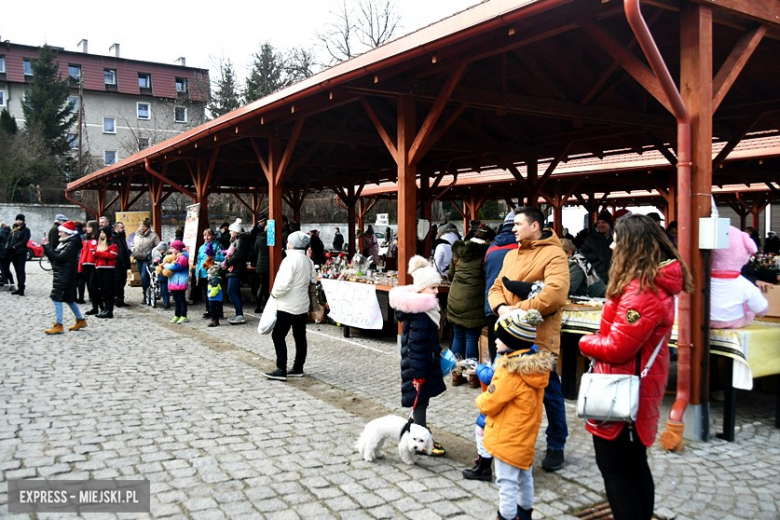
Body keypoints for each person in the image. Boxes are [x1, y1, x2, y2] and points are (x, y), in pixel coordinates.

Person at [579, 214, 692, 520]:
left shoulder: (642, 292)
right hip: (632, 386)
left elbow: (618, 347)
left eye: (617, 239)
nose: (612, 245)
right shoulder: (645, 286)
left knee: (615, 469)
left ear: (632, 246)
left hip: (624, 390)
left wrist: (585, 342)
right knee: (633, 464)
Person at [487, 206, 569, 472]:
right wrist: (501, 309)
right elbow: (496, 287)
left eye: (518, 224)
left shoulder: (555, 255)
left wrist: (516, 312)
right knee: (508, 390)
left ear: (535, 226)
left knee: (550, 394)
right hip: (508, 336)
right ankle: (509, 441)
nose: (513, 228)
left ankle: (556, 444)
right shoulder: (511, 254)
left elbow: (554, 295)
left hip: (539, 338)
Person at [476, 309, 554, 520]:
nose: (495, 341)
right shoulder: (534, 368)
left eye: (499, 337)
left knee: (507, 483)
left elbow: (491, 402)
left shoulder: (510, 371)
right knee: (524, 476)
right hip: (524, 436)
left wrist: (480, 400)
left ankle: (507, 516)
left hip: (507, 438)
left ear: (512, 340)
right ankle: (525, 512)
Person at [389, 255, 448, 457]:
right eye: (432, 288)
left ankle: (417, 432)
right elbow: (415, 346)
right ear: (421, 288)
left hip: (423, 363)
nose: (436, 291)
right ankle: (420, 441)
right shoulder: (421, 314)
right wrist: (419, 374)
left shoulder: (425, 310)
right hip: (418, 367)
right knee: (420, 401)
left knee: (421, 401)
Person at [262, 231, 318, 381]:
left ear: (292, 244)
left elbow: (282, 284)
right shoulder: (308, 261)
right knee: (300, 336)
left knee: (278, 335)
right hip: (302, 304)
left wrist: (274, 294)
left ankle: (281, 368)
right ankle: (298, 367)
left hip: (287, 305)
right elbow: (313, 280)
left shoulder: (289, 261)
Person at [447, 230, 489, 387]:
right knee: (471, 337)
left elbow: (450, 274)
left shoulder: (459, 253)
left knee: (458, 336)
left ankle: (456, 374)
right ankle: (472, 376)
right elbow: (487, 278)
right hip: (473, 300)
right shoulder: (483, 256)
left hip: (455, 298)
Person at [483, 211, 520, 361]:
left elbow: (485, 270)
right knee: (514, 343)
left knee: (495, 340)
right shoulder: (520, 247)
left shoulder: (491, 247)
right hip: (514, 303)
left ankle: (494, 373)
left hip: (492, 301)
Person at [42, 221, 87, 334]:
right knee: (69, 299)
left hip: (65, 275)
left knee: (57, 298)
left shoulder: (70, 244)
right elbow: (55, 257)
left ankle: (59, 324)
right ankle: (80, 320)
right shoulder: (65, 243)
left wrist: (47, 246)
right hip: (63, 274)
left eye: (61, 232)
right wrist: (47, 248)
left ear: (67, 233)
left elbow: (59, 257)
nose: (59, 234)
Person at [224, 218, 252, 324]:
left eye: (231, 231)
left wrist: (228, 262)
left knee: (231, 291)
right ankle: (238, 313)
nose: (230, 233)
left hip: (236, 269)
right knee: (234, 291)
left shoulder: (240, 241)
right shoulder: (238, 240)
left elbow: (238, 255)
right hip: (236, 268)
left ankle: (239, 314)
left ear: (236, 232)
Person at [130, 218, 160, 303]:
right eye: (141, 226)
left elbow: (159, 246)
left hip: (147, 259)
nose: (141, 227)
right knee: (142, 277)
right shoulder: (136, 235)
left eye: (143, 226)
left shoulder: (153, 235)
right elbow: (132, 244)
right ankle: (146, 293)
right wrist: (132, 250)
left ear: (147, 227)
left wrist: (151, 253)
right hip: (138, 258)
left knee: (144, 276)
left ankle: (147, 294)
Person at [580, 210, 613, 285]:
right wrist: (597, 257)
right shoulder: (590, 239)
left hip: (614, 275)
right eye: (599, 222)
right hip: (597, 275)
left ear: (609, 224)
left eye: (603, 222)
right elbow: (583, 255)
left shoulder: (616, 237)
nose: (600, 225)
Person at [197, 229, 224, 318]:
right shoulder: (201, 247)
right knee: (206, 292)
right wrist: (197, 272)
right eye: (205, 235)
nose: (206, 237)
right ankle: (209, 310)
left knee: (216, 291)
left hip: (213, 272)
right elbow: (199, 260)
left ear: (213, 236)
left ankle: (218, 311)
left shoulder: (217, 246)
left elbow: (222, 258)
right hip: (203, 273)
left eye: (208, 235)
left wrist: (214, 256)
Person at [94, 226, 119, 319]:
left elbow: (112, 255)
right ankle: (105, 308)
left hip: (108, 268)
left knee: (109, 290)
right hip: (100, 268)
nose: (101, 234)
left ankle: (109, 310)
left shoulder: (113, 243)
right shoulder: (99, 243)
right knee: (103, 290)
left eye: (103, 233)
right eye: (100, 233)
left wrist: (98, 254)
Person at [165, 240, 190, 324]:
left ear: (178, 248)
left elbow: (177, 267)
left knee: (181, 299)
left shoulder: (183, 257)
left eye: (173, 248)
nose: (171, 250)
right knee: (176, 299)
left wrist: (165, 265)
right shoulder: (175, 256)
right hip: (174, 282)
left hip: (180, 282)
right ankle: (177, 315)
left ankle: (184, 315)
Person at [249, 213, 270, 314]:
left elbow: (254, 251)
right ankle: (266, 304)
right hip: (268, 265)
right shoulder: (270, 238)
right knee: (266, 286)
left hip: (260, 265)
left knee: (262, 285)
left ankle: (258, 306)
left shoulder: (258, 237)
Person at [79, 221, 100, 315]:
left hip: (93, 265)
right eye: (86, 227)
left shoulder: (97, 239)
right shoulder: (85, 238)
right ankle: (94, 307)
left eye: (89, 227)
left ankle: (99, 306)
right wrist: (80, 265)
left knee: (94, 286)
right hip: (85, 264)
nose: (87, 229)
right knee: (89, 287)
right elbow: (82, 252)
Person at [8, 214, 31, 296]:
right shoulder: (13, 230)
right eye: (17, 220)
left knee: (21, 270)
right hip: (13, 253)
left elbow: (24, 241)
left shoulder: (26, 230)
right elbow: (10, 239)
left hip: (21, 252)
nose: (19, 221)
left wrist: (15, 246)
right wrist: (8, 247)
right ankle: (19, 287)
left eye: (20, 220)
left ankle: (22, 288)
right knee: (17, 271)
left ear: (23, 221)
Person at [113, 222, 131, 307]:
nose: (123, 229)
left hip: (123, 264)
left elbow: (123, 249)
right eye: (121, 227)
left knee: (122, 282)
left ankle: (120, 298)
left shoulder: (121, 237)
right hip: (118, 264)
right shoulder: (114, 238)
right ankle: (117, 298)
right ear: (116, 228)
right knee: (118, 282)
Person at [151, 241, 171, 309]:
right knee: (163, 291)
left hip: (164, 276)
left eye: (160, 250)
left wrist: (158, 264)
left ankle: (166, 304)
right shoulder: (162, 257)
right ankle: (165, 303)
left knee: (164, 291)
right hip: (162, 277)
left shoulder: (166, 258)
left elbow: (163, 265)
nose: (159, 251)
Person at [0, 222, 14, 291]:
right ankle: (12, 284)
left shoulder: (1, 232)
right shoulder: (10, 232)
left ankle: (6, 284)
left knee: (3, 270)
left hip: (2, 253)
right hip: (9, 254)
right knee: (7, 269)